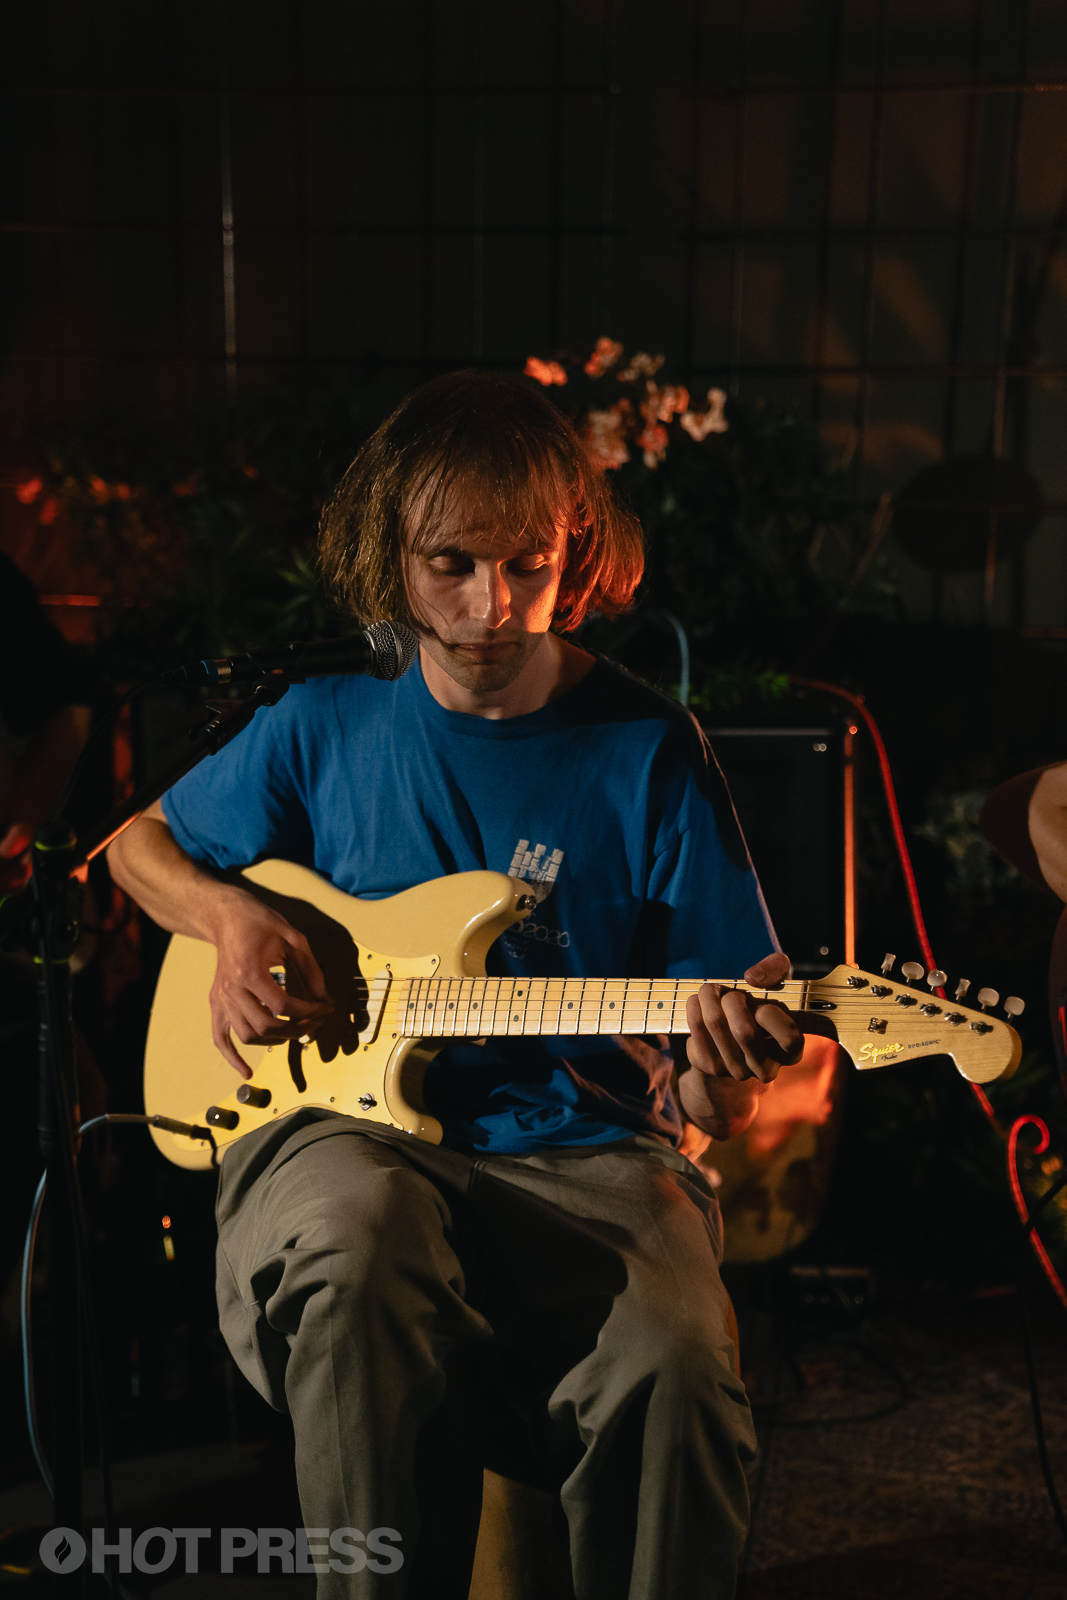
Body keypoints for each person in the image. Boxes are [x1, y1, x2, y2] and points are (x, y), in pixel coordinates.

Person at [108, 372, 803, 1599]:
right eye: (451, 565)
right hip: (336, 1125)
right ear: (390, 553)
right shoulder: (320, 712)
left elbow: (712, 1091)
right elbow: (136, 844)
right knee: (356, 1240)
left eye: (528, 565)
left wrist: (723, 1071)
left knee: (679, 1360)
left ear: (572, 552)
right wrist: (231, 918)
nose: (493, 607)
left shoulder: (648, 747)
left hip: (589, 1147)